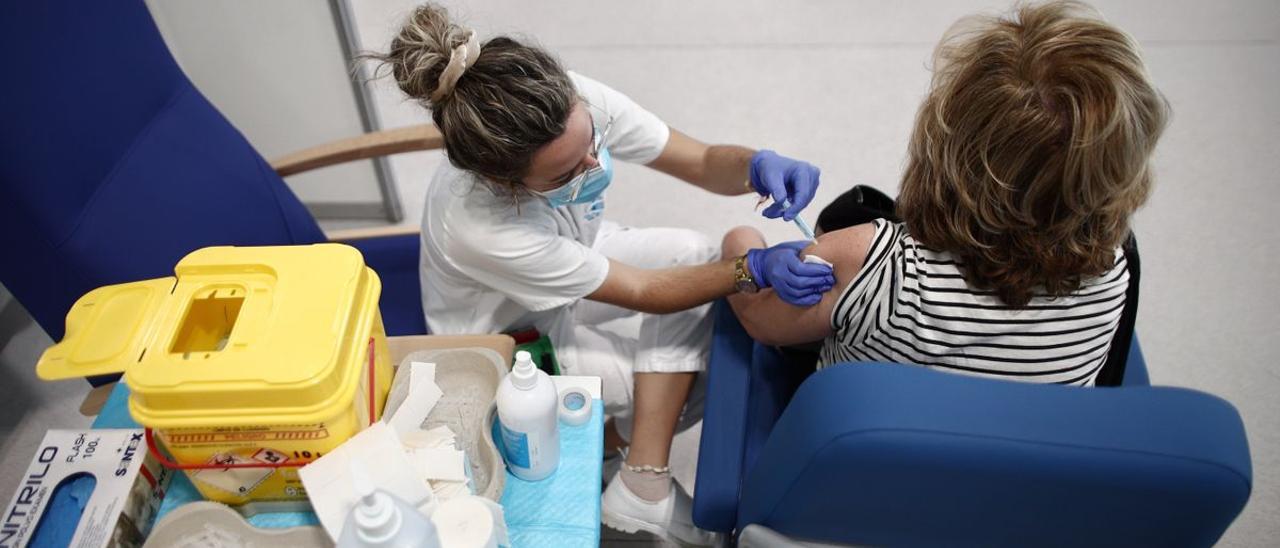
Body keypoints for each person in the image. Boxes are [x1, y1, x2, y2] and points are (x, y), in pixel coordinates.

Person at [367, 4, 834, 544]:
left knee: (694, 254)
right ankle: (640, 476)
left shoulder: (569, 101)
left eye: (592, 142)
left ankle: (637, 474)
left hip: (572, 259)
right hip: (515, 333)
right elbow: (645, 292)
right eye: (567, 172)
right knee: (695, 372)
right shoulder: (479, 224)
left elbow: (701, 161)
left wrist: (756, 165)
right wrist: (750, 268)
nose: (594, 164)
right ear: (505, 183)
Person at [724, 0, 1168, 386]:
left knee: (845, 214)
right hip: (1026, 478)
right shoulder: (1115, 266)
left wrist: (744, 248)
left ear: (947, 143)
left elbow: (759, 320)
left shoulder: (866, 260)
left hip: (864, 472)